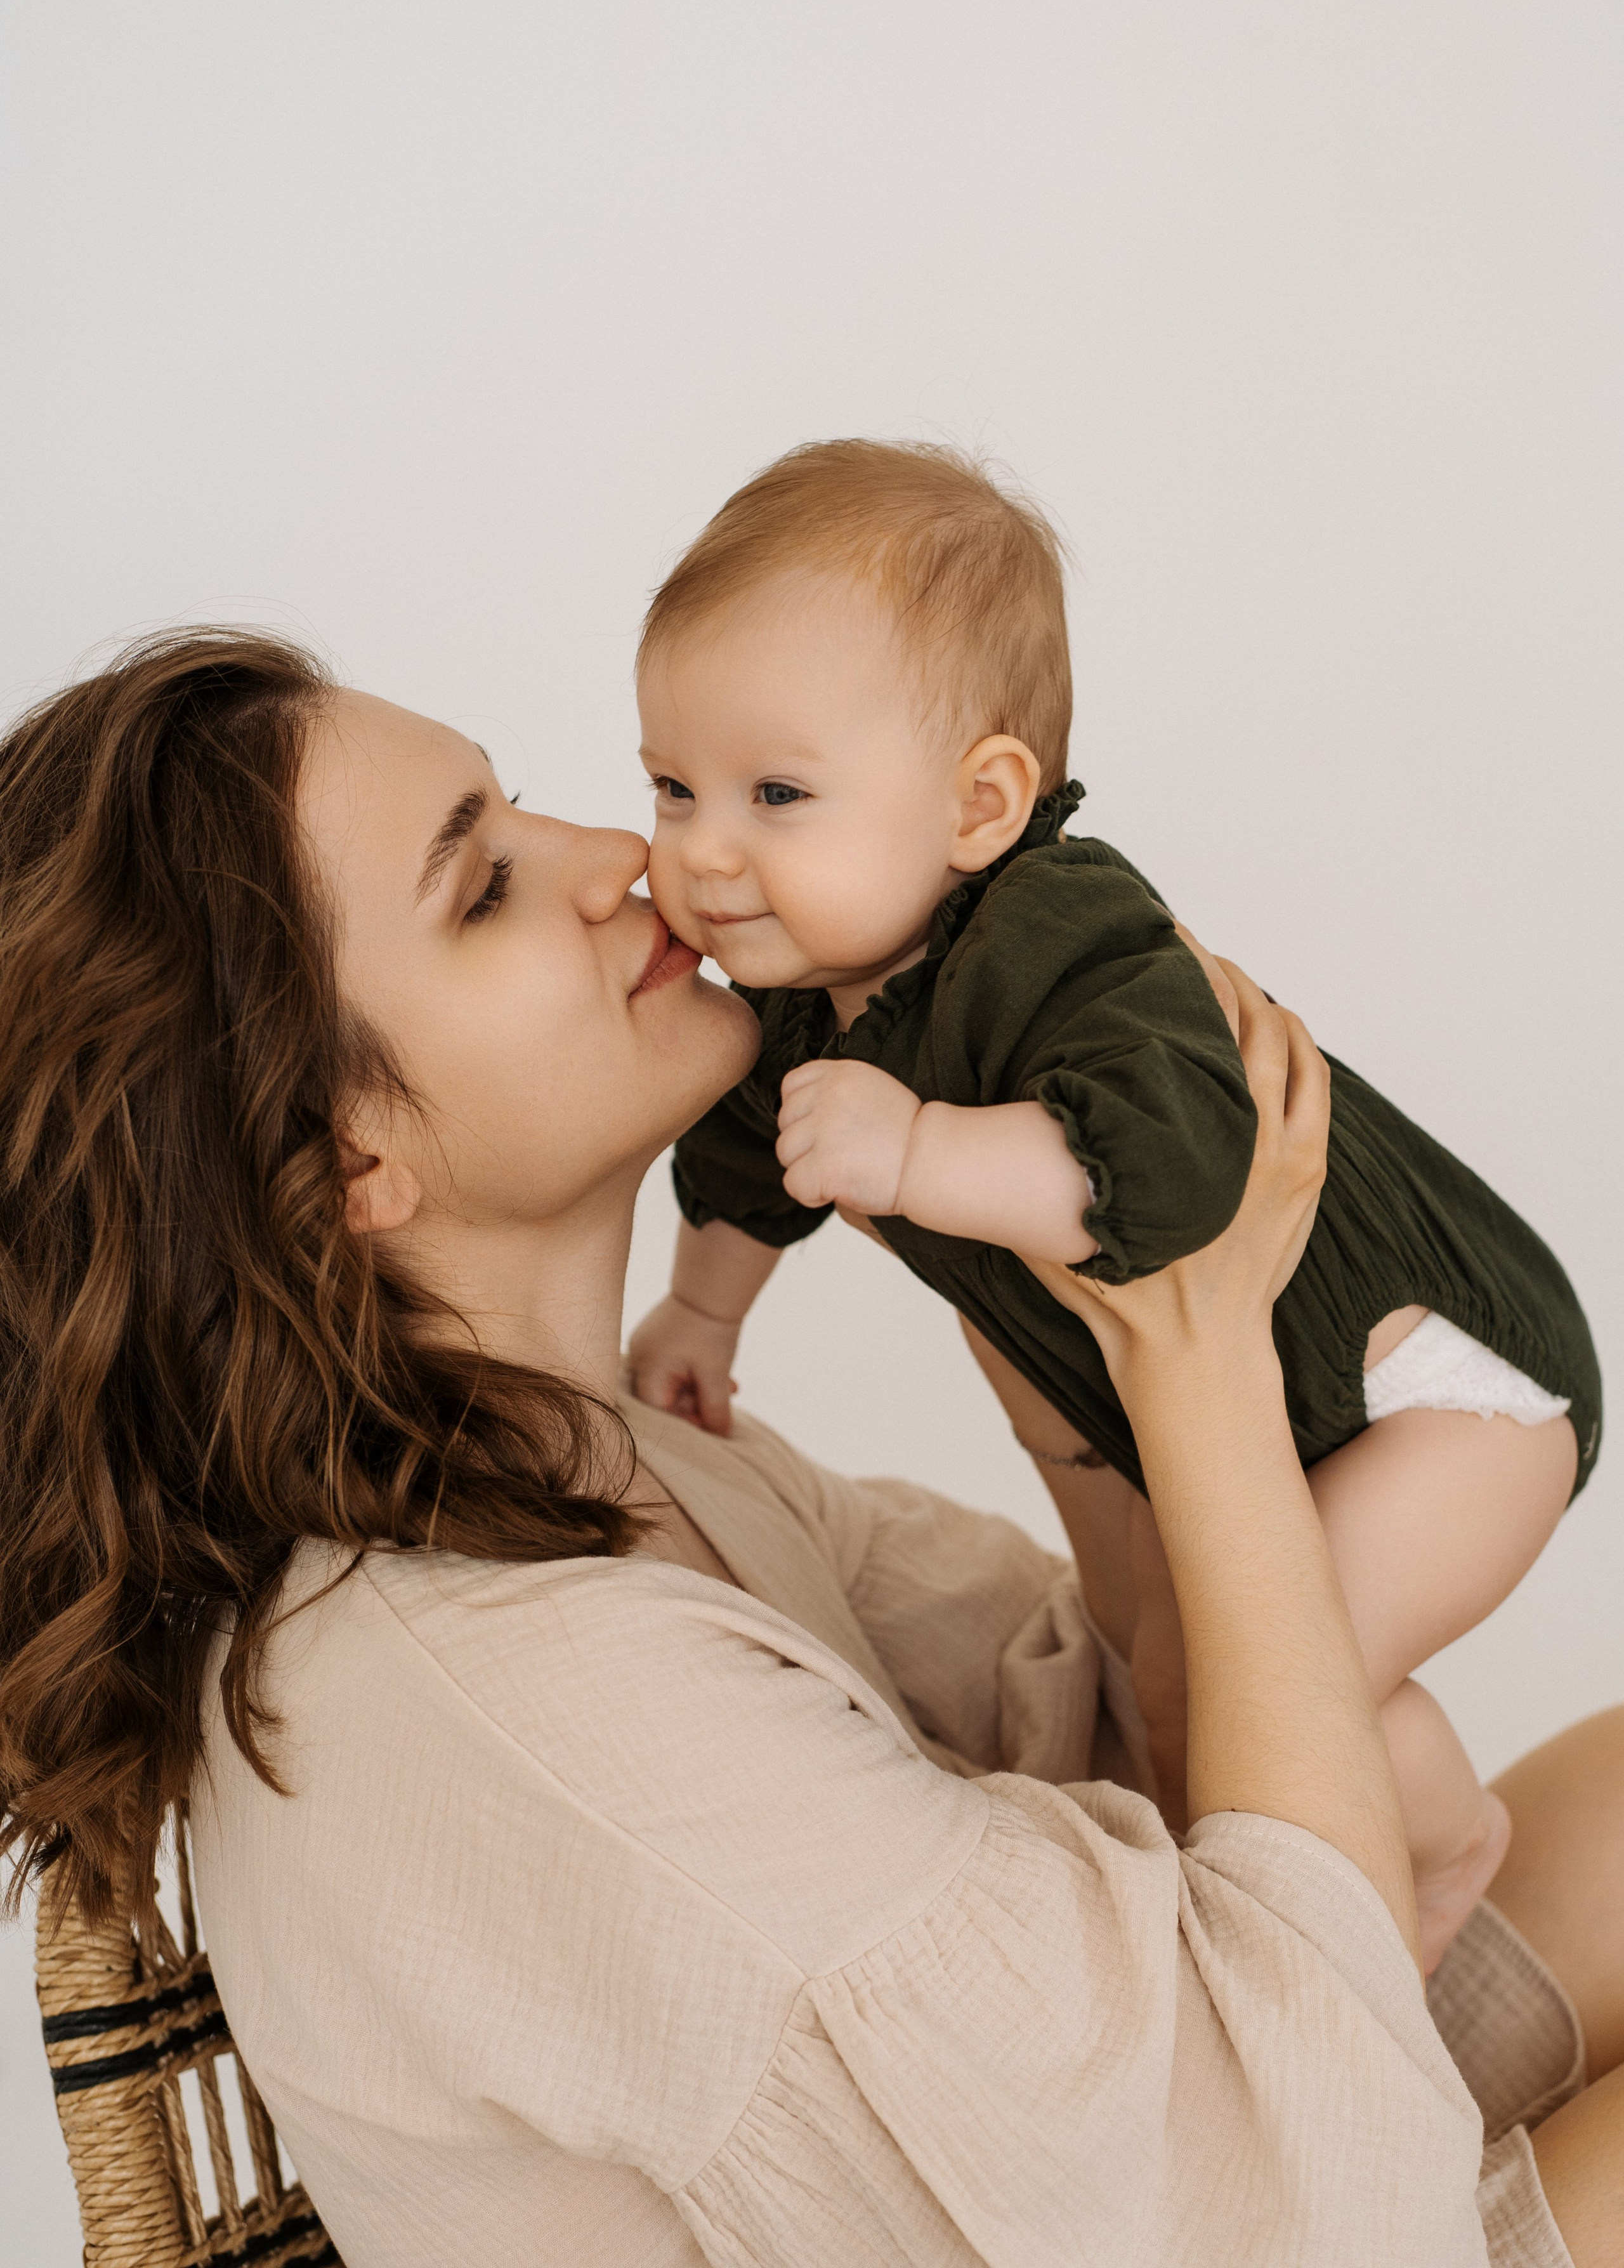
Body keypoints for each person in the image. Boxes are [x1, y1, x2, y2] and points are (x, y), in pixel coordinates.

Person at [1, 629, 1620, 2266]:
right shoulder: (525, 1713)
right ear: (339, 1164)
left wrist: (1055, 1324)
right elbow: (1312, 2203)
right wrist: (1202, 1378)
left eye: (524, 810)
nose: (621, 858)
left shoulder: (617, 1466)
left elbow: (1109, 1717)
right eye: (481, 884)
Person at [627, 437, 1599, 1969]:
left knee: (1258, 1682)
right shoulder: (809, 1003)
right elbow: (751, 1172)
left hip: (1438, 1382)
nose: (700, 851)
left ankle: (1436, 1842)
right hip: (1256, 1405)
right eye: (671, 787)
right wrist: (701, 1311)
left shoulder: (1065, 932)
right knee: (1165, 1681)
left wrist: (918, 1155)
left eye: (776, 792)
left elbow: (1174, 1175)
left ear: (979, 804)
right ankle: (1378, 1869)